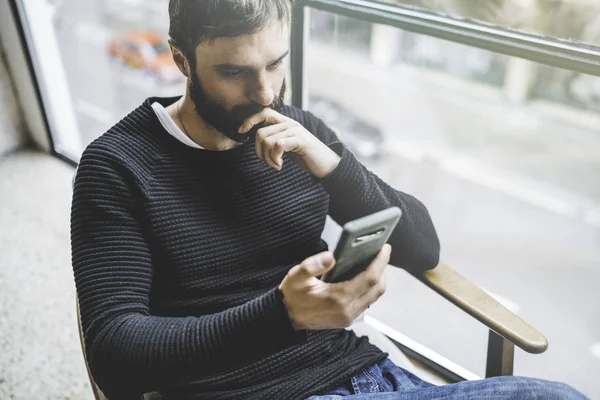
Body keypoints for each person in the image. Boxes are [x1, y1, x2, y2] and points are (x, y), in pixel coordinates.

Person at [70, 1, 588, 399]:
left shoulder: (297, 130)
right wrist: (284, 314)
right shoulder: (117, 166)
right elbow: (116, 356)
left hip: (364, 374)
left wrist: (331, 164)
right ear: (181, 59)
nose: (267, 92)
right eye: (236, 73)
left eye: (275, 64)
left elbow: (423, 248)